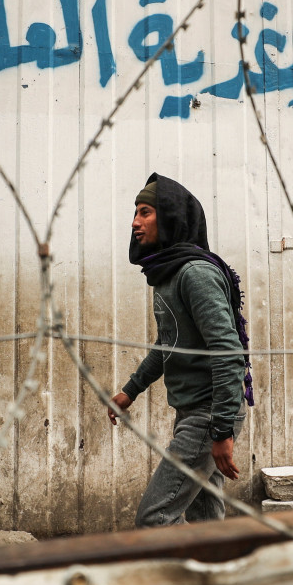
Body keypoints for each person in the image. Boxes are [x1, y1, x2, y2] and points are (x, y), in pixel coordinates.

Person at [109, 174, 252, 527]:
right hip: (194, 411)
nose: (135, 222)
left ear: (170, 216)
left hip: (210, 413)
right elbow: (169, 343)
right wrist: (130, 391)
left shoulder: (194, 273)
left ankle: (175, 580)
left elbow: (227, 351)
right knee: (206, 519)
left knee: (155, 519)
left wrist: (220, 431)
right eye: (136, 213)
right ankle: (216, 577)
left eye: (145, 212)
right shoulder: (168, 273)